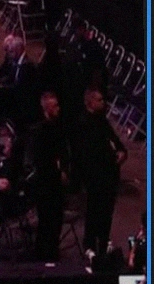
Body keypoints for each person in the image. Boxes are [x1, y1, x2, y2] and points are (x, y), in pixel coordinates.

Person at [73, 88, 127, 257]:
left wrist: (121, 152)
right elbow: (85, 154)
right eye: (99, 100)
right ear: (90, 102)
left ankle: (104, 241)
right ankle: (89, 244)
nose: (103, 103)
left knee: (107, 212)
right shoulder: (83, 124)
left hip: (109, 175)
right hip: (94, 176)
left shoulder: (102, 121)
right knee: (94, 210)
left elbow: (115, 141)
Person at [25, 92, 69, 262]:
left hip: (56, 184)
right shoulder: (39, 132)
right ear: (47, 108)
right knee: (46, 222)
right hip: (45, 183)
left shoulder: (59, 128)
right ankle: (42, 257)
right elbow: (40, 160)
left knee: (56, 221)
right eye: (55, 106)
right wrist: (56, 168)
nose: (59, 109)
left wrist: (63, 168)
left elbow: (63, 153)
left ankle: (53, 254)